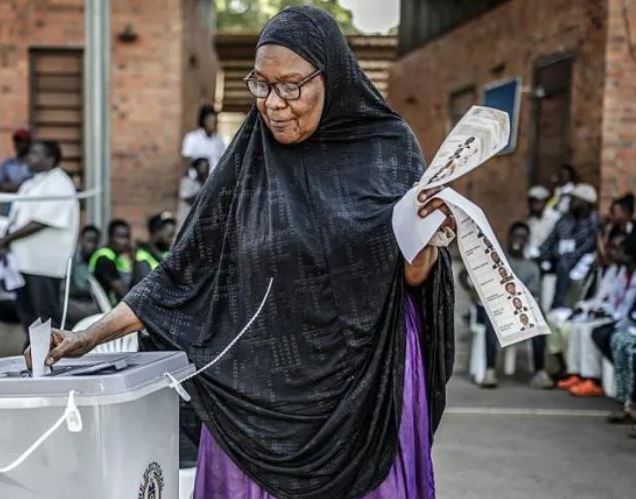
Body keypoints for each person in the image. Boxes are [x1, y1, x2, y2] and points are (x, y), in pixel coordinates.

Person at [28, 7, 457, 498]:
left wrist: (426, 248)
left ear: (332, 77)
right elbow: (180, 274)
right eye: (262, 85)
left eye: (292, 86)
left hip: (363, 394)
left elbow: (414, 274)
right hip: (257, 397)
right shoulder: (248, 162)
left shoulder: (389, 147)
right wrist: (89, 336)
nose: (274, 104)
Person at [0, 140, 79, 342]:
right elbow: (17, 216)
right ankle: (33, 359)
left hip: (44, 265)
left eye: (35, 152)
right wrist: (5, 238)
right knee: (28, 316)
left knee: (45, 319)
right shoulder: (30, 183)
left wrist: (8, 238)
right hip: (24, 262)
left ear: (50, 158)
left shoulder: (59, 182)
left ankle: (47, 360)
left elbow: (41, 221)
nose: (28, 157)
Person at [557, 232, 636, 397]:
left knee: (593, 332)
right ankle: (578, 374)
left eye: (619, 250)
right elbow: (613, 301)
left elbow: (635, 307)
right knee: (579, 328)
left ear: (630, 253)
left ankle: (594, 379)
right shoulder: (621, 271)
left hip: (630, 323)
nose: (614, 253)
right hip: (616, 318)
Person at [478, 222, 542, 388]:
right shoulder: (498, 263)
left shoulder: (532, 267)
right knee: (491, 316)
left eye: (522, 237)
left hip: (521, 312)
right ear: (508, 238)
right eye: (515, 236)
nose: (518, 240)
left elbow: (533, 295)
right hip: (499, 309)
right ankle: (490, 371)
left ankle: (540, 372)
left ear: (527, 240)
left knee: (541, 319)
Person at [539, 183, 600, 309]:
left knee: (564, 264)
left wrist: (564, 255)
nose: (570, 202)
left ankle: (558, 305)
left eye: (574, 199)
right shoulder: (565, 219)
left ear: (585, 203)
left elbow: (586, 247)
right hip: (558, 258)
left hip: (580, 261)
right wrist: (544, 254)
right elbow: (549, 241)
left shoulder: (593, 222)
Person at [65, 225, 103, 328]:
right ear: (81, 240)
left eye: (95, 242)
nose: (92, 246)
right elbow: (82, 286)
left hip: (88, 304)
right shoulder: (73, 260)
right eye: (89, 241)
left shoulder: (96, 259)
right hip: (74, 305)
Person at [89, 219, 134, 305]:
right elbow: (122, 292)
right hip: (100, 307)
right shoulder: (104, 258)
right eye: (121, 237)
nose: (125, 242)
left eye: (127, 237)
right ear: (110, 237)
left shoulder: (118, 258)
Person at [132, 212, 176, 288]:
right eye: (170, 235)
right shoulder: (142, 256)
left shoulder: (165, 253)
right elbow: (143, 289)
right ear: (156, 231)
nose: (172, 240)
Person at [0, 129, 33, 215]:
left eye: (22, 142)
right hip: (9, 206)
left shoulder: (34, 164)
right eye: (16, 142)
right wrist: (17, 187)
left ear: (29, 143)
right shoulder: (7, 164)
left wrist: (18, 187)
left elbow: (33, 185)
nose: (19, 145)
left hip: (27, 206)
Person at [181, 105, 227, 172]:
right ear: (203, 121)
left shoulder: (219, 140)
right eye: (210, 121)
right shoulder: (192, 138)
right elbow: (186, 160)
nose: (213, 124)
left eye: (215, 121)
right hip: (196, 179)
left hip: (214, 179)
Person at [525, 185, 559, 259]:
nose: (534, 204)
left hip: (549, 257)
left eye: (537, 201)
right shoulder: (530, 220)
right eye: (532, 201)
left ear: (545, 201)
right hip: (531, 256)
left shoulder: (555, 218)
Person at [178, 157, 210, 224]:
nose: (203, 168)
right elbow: (188, 199)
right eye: (200, 166)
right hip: (188, 220)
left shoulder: (210, 183)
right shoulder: (188, 182)